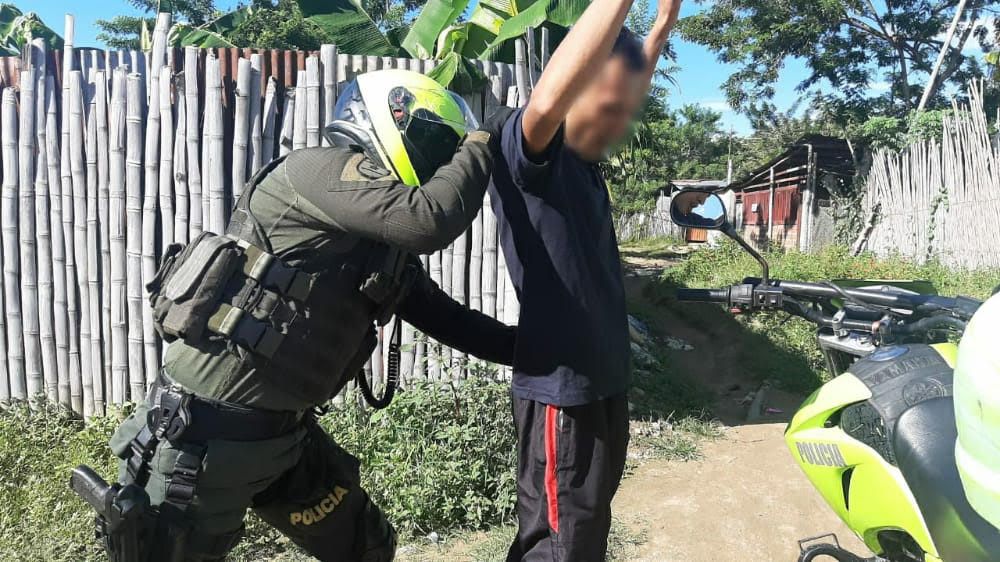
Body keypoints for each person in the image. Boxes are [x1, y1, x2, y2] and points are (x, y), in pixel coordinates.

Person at [83, 69, 515, 561]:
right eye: (436, 141)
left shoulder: (376, 242)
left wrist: (538, 348)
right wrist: (483, 139)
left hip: (282, 441)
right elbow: (429, 219)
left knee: (367, 548)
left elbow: (446, 319)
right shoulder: (317, 172)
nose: (443, 158)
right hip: (200, 440)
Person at [486, 0, 682, 559]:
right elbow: (550, 97)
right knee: (557, 542)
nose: (622, 114)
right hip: (562, 396)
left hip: (602, 383)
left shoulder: (585, 164)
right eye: (611, 97)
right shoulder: (530, 153)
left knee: (587, 527)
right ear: (576, 84)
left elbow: (624, 79)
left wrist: (662, 26)